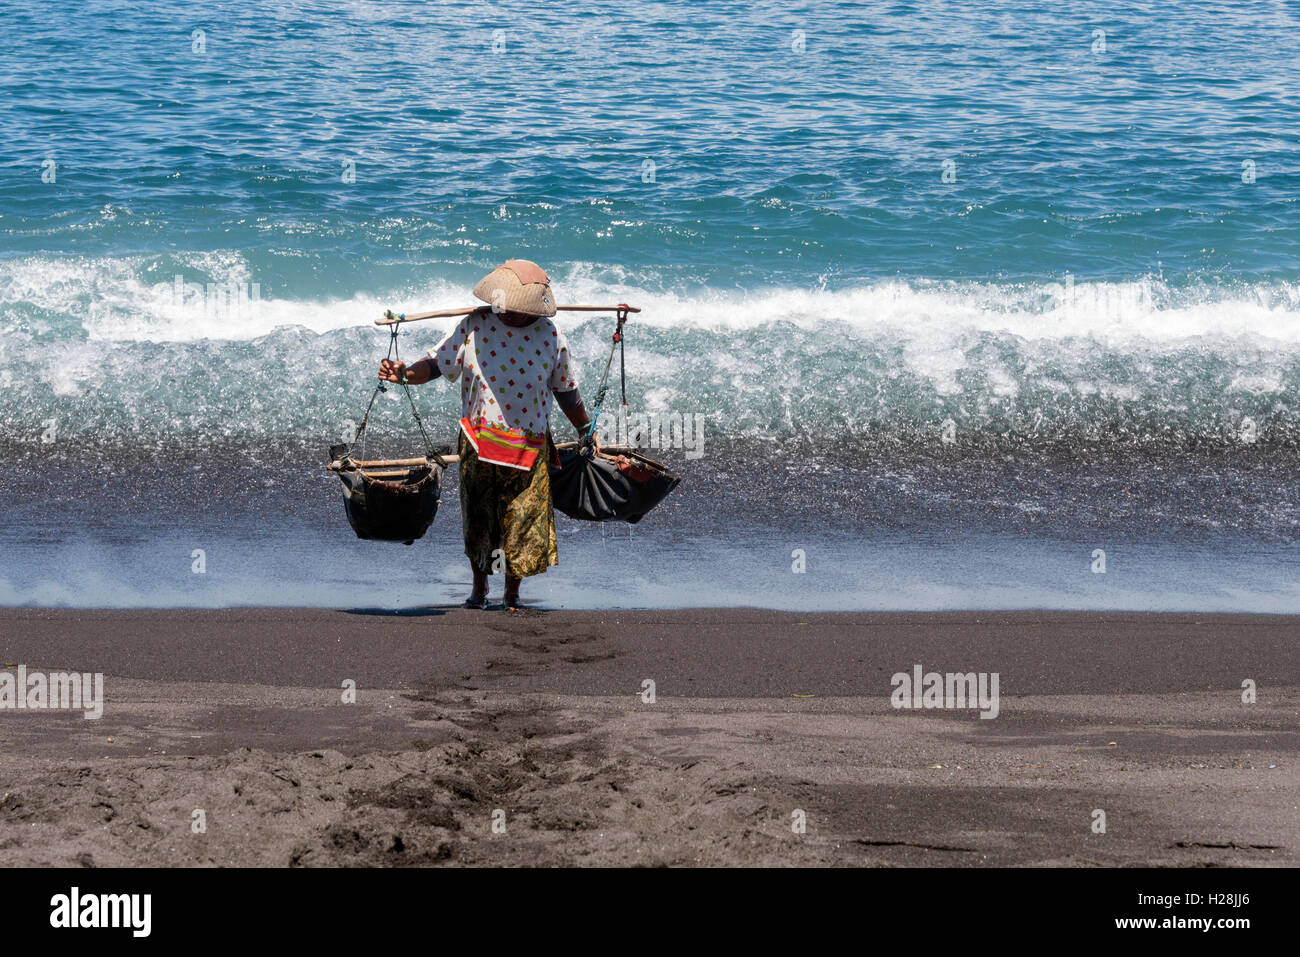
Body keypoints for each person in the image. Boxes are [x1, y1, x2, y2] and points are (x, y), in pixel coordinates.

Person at [378, 260, 596, 610]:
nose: (511, 315)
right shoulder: (473, 326)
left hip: (529, 445)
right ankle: (480, 589)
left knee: (521, 522)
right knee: (481, 520)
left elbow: (566, 390)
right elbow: (435, 364)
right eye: (506, 307)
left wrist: (586, 429)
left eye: (519, 310)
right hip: (480, 442)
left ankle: (511, 594)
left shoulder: (550, 335)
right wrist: (404, 374)